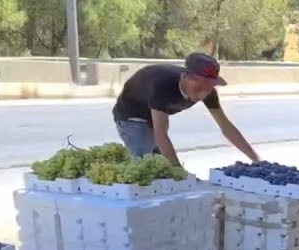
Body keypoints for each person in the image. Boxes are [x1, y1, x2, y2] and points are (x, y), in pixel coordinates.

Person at [110, 52, 260, 167]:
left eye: (209, 87)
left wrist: (256, 160)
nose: (203, 94)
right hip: (132, 116)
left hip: (156, 112)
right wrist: (179, 171)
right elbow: (160, 134)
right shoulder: (162, 85)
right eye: (199, 87)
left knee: (162, 166)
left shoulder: (208, 93)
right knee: (147, 164)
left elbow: (226, 127)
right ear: (185, 77)